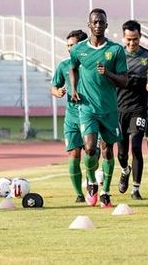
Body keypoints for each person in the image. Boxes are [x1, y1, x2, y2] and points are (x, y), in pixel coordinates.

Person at [69, 8, 129, 208]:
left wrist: (108, 74)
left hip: (109, 109)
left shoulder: (116, 50)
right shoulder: (79, 49)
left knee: (108, 151)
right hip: (87, 108)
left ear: (106, 25)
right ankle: (92, 182)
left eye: (101, 22)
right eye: (94, 22)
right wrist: (75, 89)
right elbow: (73, 68)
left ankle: (105, 192)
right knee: (89, 147)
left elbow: (124, 81)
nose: (97, 25)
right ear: (89, 25)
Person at [117, 20, 148, 200]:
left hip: (139, 108)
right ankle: (125, 169)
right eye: (128, 39)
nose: (132, 43)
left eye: (135, 39)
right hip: (119, 108)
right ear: (123, 37)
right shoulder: (116, 54)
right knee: (122, 152)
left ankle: (136, 188)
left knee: (136, 147)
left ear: (140, 36)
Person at [51, 29, 88, 202]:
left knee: (91, 153)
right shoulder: (64, 66)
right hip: (72, 117)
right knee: (74, 154)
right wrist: (57, 91)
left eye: (72, 45)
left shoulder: (92, 63)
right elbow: (54, 86)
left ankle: (92, 183)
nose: (69, 49)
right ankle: (79, 195)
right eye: (67, 46)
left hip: (90, 114)